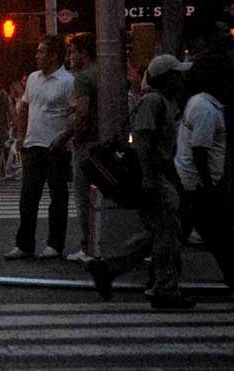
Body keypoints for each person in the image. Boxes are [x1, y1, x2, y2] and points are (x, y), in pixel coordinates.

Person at [86, 54, 196, 309]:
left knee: (161, 233)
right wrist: (148, 179)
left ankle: (109, 267)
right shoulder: (153, 101)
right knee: (167, 233)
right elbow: (143, 142)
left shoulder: (163, 101)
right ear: (166, 77)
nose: (181, 78)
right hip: (154, 177)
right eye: (176, 74)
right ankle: (164, 289)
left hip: (159, 176)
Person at [4, 36, 75, 260]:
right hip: (32, 144)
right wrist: (20, 135)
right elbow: (24, 107)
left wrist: (64, 139)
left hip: (56, 147)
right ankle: (24, 244)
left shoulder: (67, 81)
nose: (37, 56)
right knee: (28, 197)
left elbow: (76, 114)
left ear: (54, 56)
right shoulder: (33, 78)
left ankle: (55, 244)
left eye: (42, 52)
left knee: (58, 197)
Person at [175, 62, 234, 289]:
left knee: (175, 235)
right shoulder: (206, 109)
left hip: (193, 183)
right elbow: (200, 152)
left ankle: (115, 267)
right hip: (197, 186)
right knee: (220, 237)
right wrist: (209, 186)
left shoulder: (202, 104)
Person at [67, 33, 100, 262]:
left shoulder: (83, 78)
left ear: (83, 54)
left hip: (86, 142)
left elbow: (82, 113)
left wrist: (69, 137)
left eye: (72, 52)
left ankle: (87, 246)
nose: (70, 57)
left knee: (83, 195)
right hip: (105, 140)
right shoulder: (107, 71)